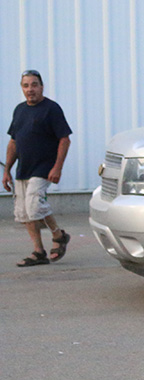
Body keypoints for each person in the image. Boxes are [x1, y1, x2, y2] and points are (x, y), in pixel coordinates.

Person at [4, 70, 73, 267]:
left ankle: (58, 236)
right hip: (22, 169)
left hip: (43, 168)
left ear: (41, 86)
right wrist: (7, 169)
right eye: (26, 86)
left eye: (34, 85)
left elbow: (64, 139)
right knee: (24, 213)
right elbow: (13, 142)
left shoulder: (51, 109)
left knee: (35, 207)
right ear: (22, 88)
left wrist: (57, 167)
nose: (30, 89)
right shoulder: (19, 110)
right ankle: (38, 251)